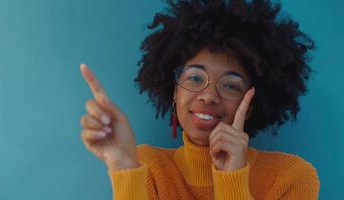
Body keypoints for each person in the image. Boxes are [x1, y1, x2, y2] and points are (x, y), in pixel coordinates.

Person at [79, 0, 320, 199]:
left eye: (230, 85)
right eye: (195, 78)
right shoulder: (147, 166)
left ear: (249, 107)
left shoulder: (291, 177)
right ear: (175, 92)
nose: (208, 96)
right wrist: (124, 167)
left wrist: (232, 180)